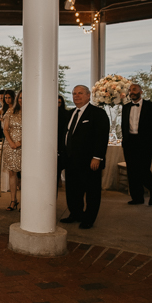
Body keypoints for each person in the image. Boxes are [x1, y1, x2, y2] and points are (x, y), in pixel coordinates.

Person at [59, 85, 110, 229]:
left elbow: (102, 137)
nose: (76, 96)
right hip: (71, 161)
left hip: (90, 162)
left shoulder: (98, 113)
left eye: (80, 93)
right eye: (74, 93)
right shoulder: (70, 114)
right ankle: (75, 214)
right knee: (73, 191)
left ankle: (89, 219)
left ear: (88, 96)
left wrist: (97, 157)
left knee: (92, 192)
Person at [121, 83, 152, 206]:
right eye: (130, 90)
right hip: (129, 142)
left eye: (134, 89)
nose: (131, 92)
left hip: (145, 143)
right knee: (132, 171)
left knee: (144, 170)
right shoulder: (126, 107)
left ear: (141, 91)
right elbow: (124, 126)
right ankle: (137, 197)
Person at [1, 90, 23, 211]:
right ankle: (13, 200)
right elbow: (5, 129)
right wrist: (11, 142)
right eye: (19, 98)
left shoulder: (31, 113)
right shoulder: (10, 111)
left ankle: (25, 201)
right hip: (9, 145)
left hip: (24, 146)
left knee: (25, 174)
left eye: (23, 98)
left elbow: (32, 130)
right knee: (12, 173)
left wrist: (20, 143)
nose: (21, 100)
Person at [57, 94, 73, 186]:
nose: (57, 105)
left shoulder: (67, 114)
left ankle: (60, 180)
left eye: (59, 103)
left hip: (62, 140)